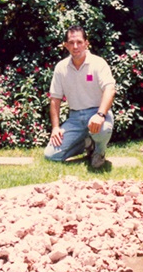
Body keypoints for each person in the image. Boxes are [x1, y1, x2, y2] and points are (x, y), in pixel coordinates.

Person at [44, 25, 115, 168]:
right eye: (71, 43)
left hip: (97, 113)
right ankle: (87, 143)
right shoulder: (61, 68)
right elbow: (55, 99)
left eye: (79, 42)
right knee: (51, 155)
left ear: (86, 43)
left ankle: (99, 152)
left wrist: (100, 114)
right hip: (75, 118)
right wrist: (55, 128)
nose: (75, 46)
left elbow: (110, 89)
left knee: (102, 131)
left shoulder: (98, 63)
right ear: (66, 45)